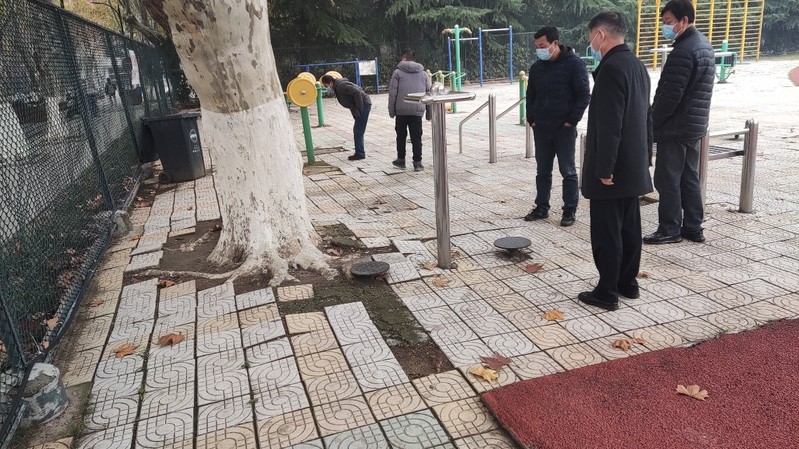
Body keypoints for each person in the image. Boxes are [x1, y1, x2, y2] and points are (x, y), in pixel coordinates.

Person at [578, 11, 654, 311]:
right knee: (629, 229)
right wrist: (646, 156)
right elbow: (647, 116)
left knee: (607, 232)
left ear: (600, 35)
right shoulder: (636, 65)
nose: (590, 43)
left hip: (614, 168)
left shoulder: (611, 69)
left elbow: (610, 124)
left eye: (591, 36)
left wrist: (604, 168)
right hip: (633, 164)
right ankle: (627, 283)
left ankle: (607, 292)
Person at [644, 0, 716, 245]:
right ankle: (693, 227)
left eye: (669, 22)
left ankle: (669, 229)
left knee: (668, 179)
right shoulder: (704, 45)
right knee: (689, 177)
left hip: (675, 128)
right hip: (694, 126)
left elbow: (670, 95)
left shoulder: (684, 50)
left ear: (684, 21)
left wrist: (653, 123)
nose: (665, 27)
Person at [524, 26, 591, 227]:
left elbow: (583, 95)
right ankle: (541, 207)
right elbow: (530, 96)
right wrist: (531, 119)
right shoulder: (537, 68)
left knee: (568, 170)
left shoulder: (574, 64)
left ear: (555, 43)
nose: (539, 50)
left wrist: (571, 121)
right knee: (542, 171)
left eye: (542, 46)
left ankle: (569, 209)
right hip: (541, 129)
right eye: (537, 47)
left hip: (564, 129)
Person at [388, 49, 431, 172]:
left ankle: (401, 160)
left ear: (404, 59)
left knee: (401, 136)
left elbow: (392, 93)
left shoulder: (397, 73)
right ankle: (418, 163)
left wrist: (392, 111)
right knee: (416, 137)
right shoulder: (423, 74)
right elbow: (429, 93)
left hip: (401, 111)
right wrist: (429, 113)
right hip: (417, 110)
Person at [321, 75, 372, 161]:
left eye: (326, 86)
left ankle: (360, 153)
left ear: (331, 83)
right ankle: (359, 151)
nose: (327, 88)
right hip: (362, 105)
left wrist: (359, 108)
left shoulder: (341, 86)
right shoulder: (338, 86)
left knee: (358, 130)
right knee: (358, 130)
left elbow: (357, 92)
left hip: (364, 105)